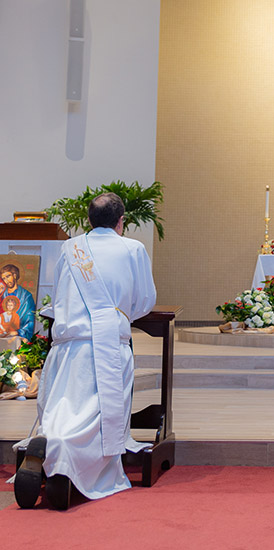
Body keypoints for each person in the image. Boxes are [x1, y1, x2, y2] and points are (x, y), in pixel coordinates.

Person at [14, 192, 156, 510]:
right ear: (122, 222)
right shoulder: (132, 249)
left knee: (62, 409)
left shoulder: (70, 248)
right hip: (107, 346)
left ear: (88, 221)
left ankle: (48, 441)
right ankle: (65, 463)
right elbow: (144, 301)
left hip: (66, 347)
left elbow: (59, 294)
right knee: (99, 418)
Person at [0, 263, 36, 341]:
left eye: (8, 276)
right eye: (4, 278)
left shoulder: (26, 296)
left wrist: (18, 332)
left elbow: (30, 320)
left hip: (18, 337)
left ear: (15, 275)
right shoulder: (2, 295)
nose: (6, 281)